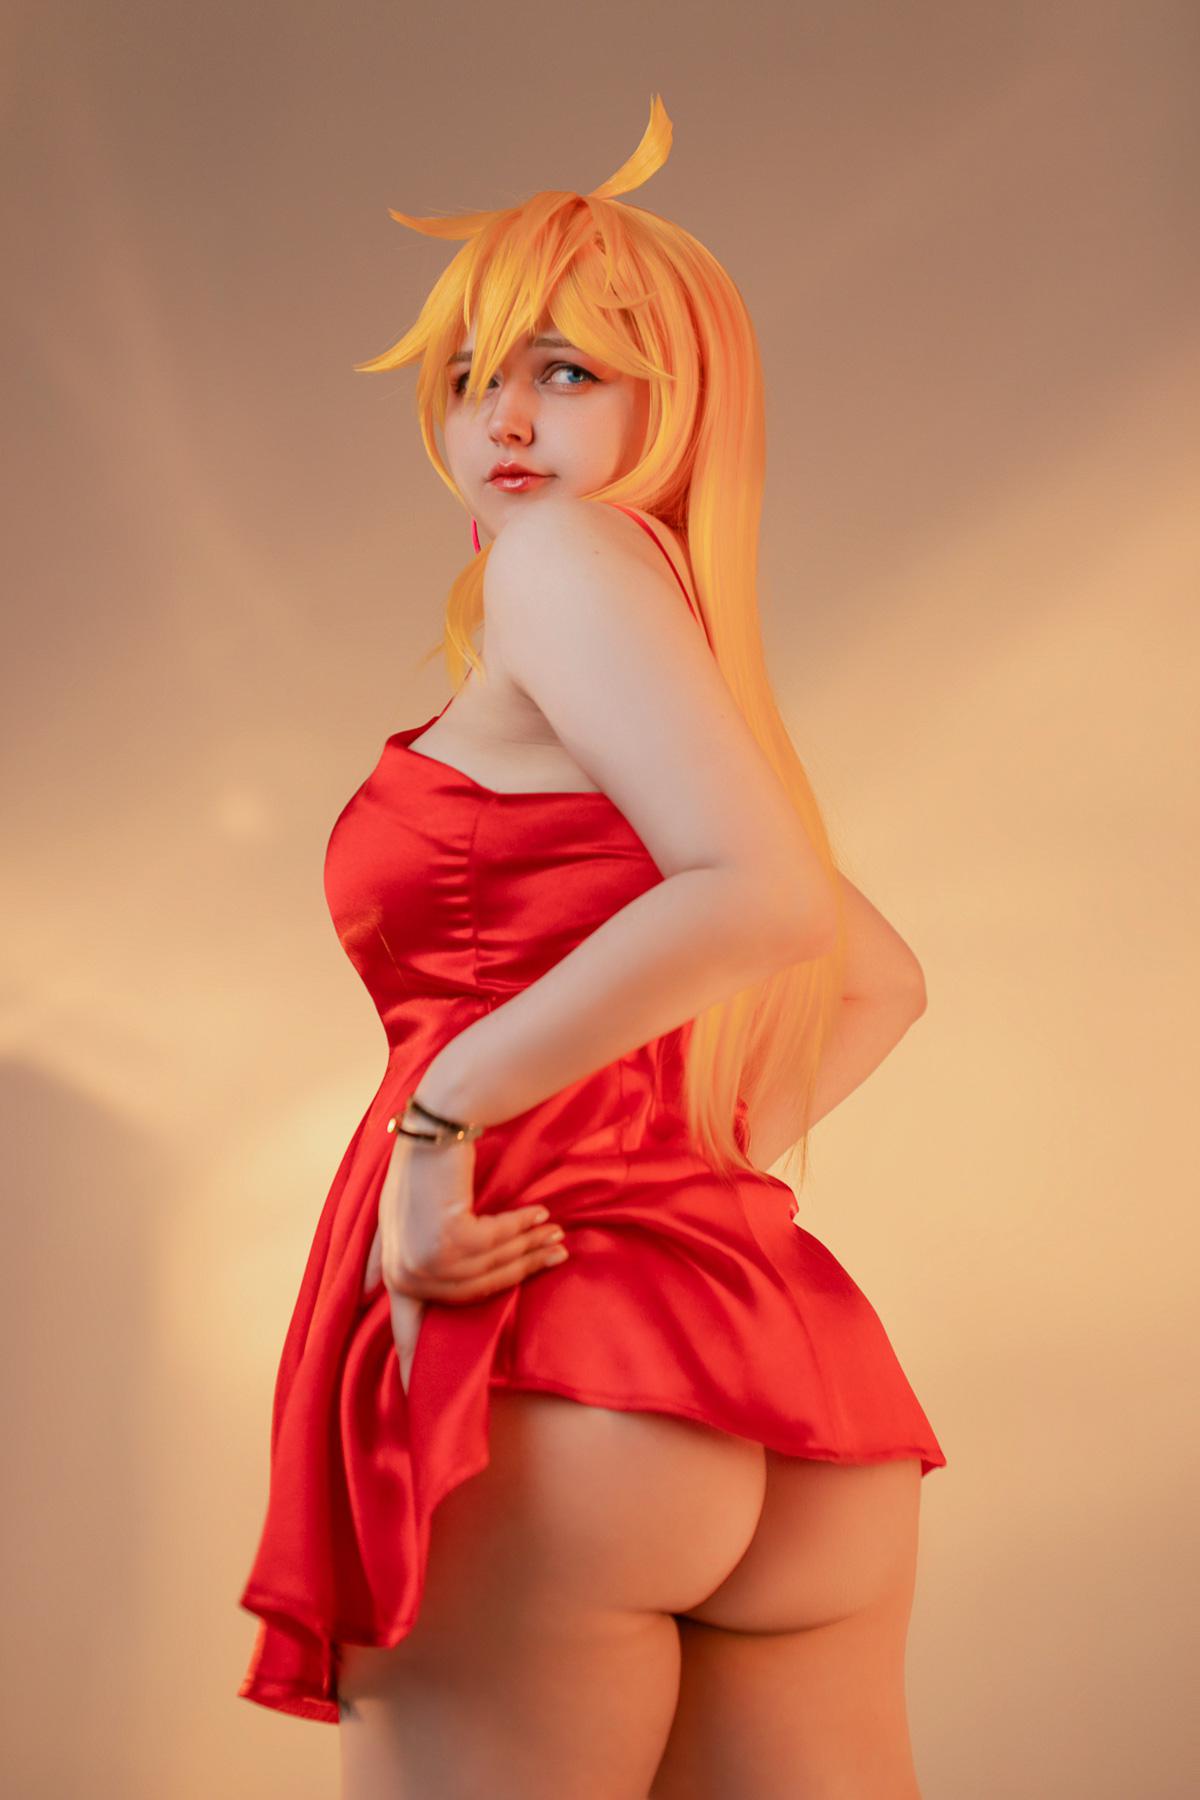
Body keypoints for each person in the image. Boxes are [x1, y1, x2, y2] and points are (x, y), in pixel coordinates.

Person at [236, 93, 947, 1799]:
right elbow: (878, 978)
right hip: (791, 1390)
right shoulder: (673, 651)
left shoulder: (559, 560)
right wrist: (664, 1176)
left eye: (566, 370)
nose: (503, 418)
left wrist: (441, 1126)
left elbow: (765, 902)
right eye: (472, 374)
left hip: (555, 1380)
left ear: (675, 396)